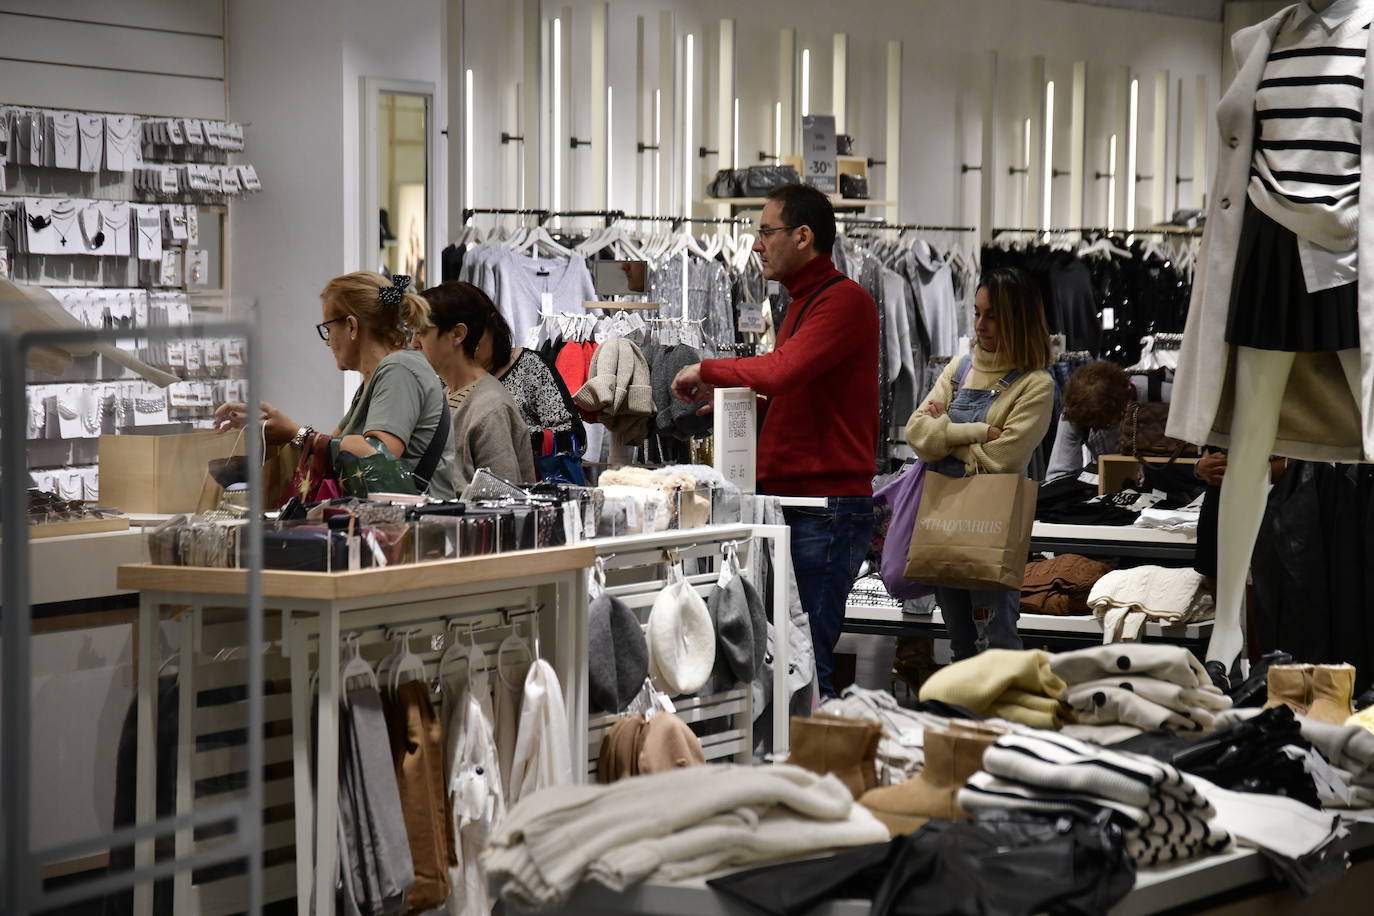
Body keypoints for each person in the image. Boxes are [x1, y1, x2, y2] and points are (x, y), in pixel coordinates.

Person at [670, 183, 880, 699]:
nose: (757, 245)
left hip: (823, 509)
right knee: (786, 654)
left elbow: (785, 371)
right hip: (797, 506)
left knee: (809, 660)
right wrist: (739, 407)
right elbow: (800, 388)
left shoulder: (844, 301)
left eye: (766, 232)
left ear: (803, 236)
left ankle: (823, 765)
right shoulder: (801, 304)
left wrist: (710, 370)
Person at [905, 267, 1054, 660]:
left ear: (1018, 320)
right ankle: (966, 720)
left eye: (992, 316)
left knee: (997, 642)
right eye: (976, 313)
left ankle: (997, 720)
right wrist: (973, 433)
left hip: (991, 523)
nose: (980, 324)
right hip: (944, 520)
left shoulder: (1036, 384)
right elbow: (917, 434)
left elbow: (1002, 460)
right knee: (960, 643)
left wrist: (945, 429)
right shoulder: (961, 368)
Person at [214, 271, 457, 499]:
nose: (328, 342)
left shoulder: (399, 369)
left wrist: (296, 433)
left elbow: (376, 454)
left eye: (328, 329)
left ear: (352, 326)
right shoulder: (379, 377)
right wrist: (277, 430)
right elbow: (333, 447)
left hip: (411, 532)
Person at [412, 282, 535, 491]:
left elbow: (503, 502)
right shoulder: (447, 394)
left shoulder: (490, 406)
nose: (414, 343)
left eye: (422, 332)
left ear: (458, 334)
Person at [484, 309, 588, 472]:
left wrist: (512, 436)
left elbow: (574, 438)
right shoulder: (448, 377)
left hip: (528, 488)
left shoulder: (529, 366)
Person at [1045, 360, 1132, 481]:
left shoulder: (1155, 399)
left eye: (1102, 425)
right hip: (1106, 484)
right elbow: (1059, 474)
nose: (1095, 429)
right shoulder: (1076, 409)